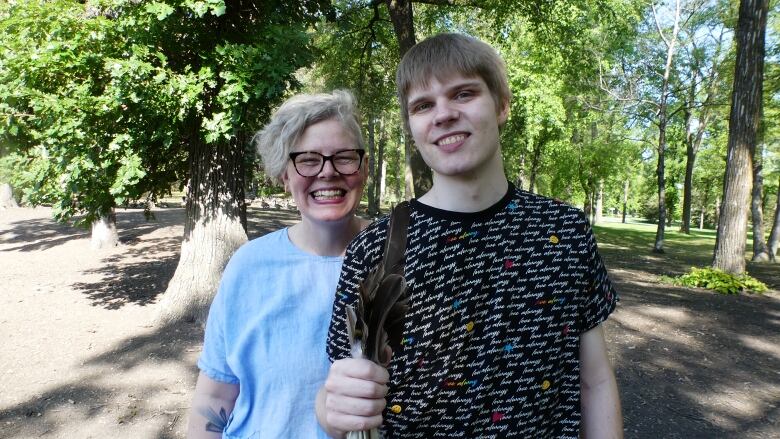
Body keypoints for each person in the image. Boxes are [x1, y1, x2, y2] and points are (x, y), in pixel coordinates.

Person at [317, 33, 623, 438]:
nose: (443, 114)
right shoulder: (374, 249)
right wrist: (332, 411)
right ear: (412, 127)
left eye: (463, 94)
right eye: (423, 105)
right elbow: (338, 395)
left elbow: (595, 383)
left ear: (502, 105)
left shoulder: (564, 231)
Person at [187, 90, 371, 438]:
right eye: (307, 160)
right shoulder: (249, 266)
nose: (328, 172)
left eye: (344, 157)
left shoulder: (402, 258)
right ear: (284, 174)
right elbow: (214, 394)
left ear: (364, 168)